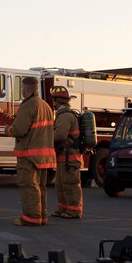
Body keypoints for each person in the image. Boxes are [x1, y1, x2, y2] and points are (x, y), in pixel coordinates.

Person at [6, 76, 56, 226]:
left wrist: (8, 129)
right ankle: (42, 215)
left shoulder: (28, 105)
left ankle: (31, 217)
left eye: (22, 88)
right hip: (43, 156)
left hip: (28, 154)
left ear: (26, 89)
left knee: (28, 186)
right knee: (40, 186)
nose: (21, 91)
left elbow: (20, 130)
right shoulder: (45, 105)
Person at [49, 86, 83, 219]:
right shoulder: (64, 115)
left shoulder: (65, 116)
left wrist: (44, 136)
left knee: (70, 184)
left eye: (54, 101)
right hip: (65, 157)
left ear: (58, 101)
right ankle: (63, 208)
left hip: (70, 157)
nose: (53, 104)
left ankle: (74, 210)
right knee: (61, 184)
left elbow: (60, 135)